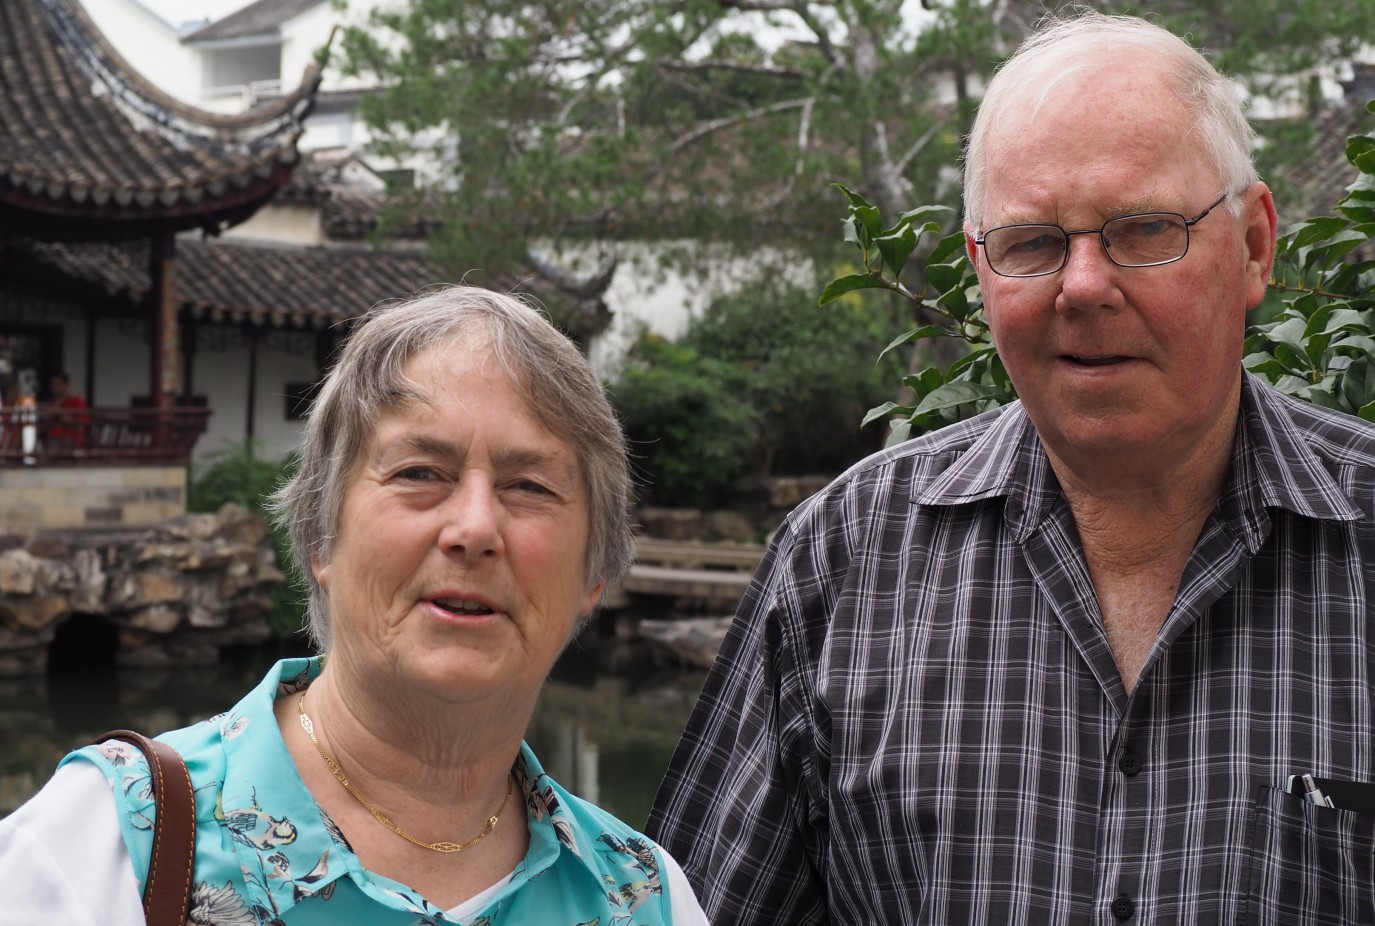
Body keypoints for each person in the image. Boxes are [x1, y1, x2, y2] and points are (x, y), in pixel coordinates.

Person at [647, 11, 1375, 924]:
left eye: (1141, 229)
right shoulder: (838, 566)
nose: (1080, 286)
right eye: (1030, 243)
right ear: (979, 271)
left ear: (1255, 246)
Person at [0, 287, 710, 925]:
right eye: (419, 473)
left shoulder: (645, 897)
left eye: (529, 486)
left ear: (596, 571)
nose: (474, 530)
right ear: (320, 536)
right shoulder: (108, 849)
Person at [43, 370, 89, 451]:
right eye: (53, 385)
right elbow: (43, 426)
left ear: (66, 385)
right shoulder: (51, 402)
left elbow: (81, 426)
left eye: (58, 384)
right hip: (52, 439)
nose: (55, 388)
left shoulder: (77, 400)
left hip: (71, 439)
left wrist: (61, 414)